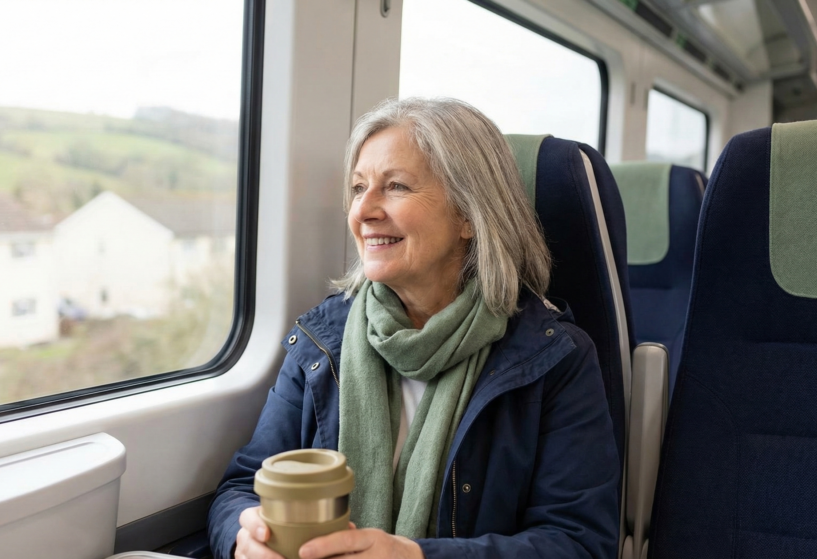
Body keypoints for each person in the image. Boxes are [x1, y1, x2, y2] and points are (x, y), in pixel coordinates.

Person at [207, 98, 620, 559]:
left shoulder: (554, 358)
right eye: (358, 187)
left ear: (469, 214)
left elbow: (578, 544)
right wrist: (243, 537)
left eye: (396, 187)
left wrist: (417, 557)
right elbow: (243, 486)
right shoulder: (321, 341)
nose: (363, 211)